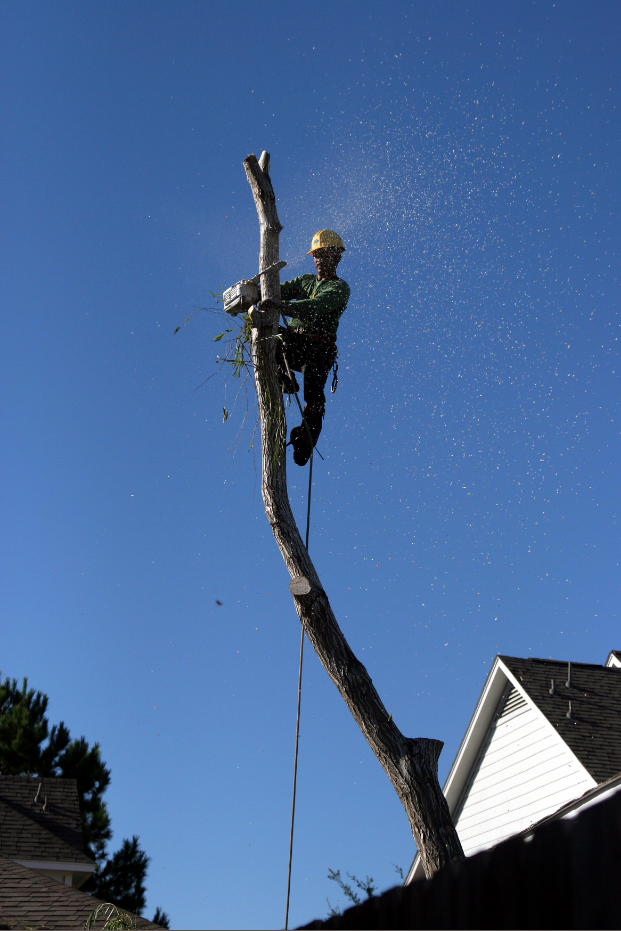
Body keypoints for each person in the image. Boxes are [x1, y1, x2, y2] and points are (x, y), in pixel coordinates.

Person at [276, 230, 350, 466]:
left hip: (318, 348)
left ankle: (306, 441)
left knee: (314, 398)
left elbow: (316, 306)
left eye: (324, 255)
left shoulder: (339, 288)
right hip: (295, 343)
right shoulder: (305, 281)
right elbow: (278, 290)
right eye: (316, 255)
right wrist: (254, 295)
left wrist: (283, 307)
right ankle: (284, 375)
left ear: (337, 258)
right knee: (273, 339)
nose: (319, 260)